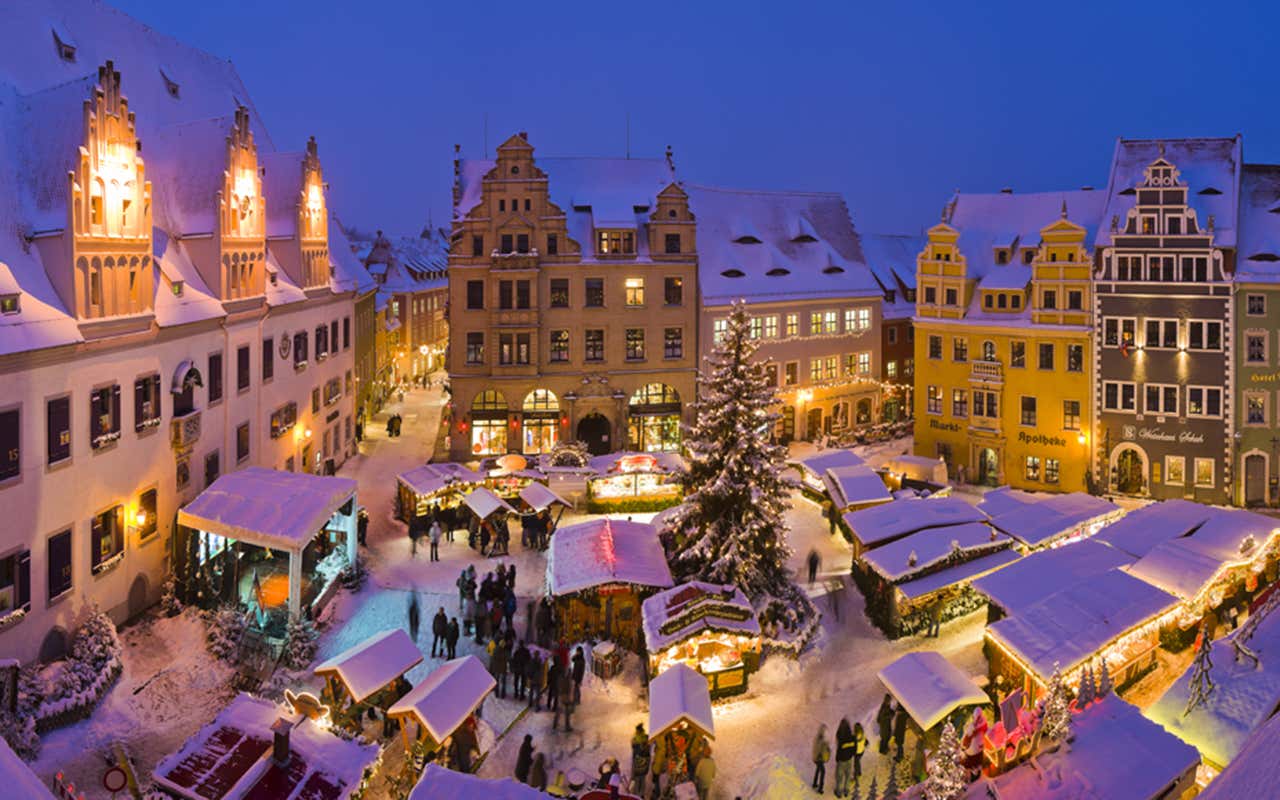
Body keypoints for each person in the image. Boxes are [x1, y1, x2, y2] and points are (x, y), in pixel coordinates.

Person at [834, 718, 855, 797]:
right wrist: (850, 754)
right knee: (848, 775)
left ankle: (839, 792)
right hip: (849, 759)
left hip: (842, 761)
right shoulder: (853, 738)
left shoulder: (841, 738)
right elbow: (854, 749)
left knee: (839, 777)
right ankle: (846, 791)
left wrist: (837, 759)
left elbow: (839, 752)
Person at [631, 723, 650, 798]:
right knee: (642, 779)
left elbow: (634, 749)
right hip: (645, 763)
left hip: (637, 762)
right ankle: (641, 795)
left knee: (636, 779)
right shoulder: (647, 737)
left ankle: (635, 795)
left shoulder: (635, 739)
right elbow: (648, 750)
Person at [553, 666, 575, 732]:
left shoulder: (560, 677)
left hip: (561, 695)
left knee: (559, 710)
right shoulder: (567, 679)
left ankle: (555, 724)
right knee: (567, 712)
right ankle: (567, 726)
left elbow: (558, 685)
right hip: (565, 696)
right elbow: (568, 688)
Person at [812, 723, 830, 794]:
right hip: (819, 758)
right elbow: (822, 749)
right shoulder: (821, 740)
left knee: (818, 769)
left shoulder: (817, 738)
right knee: (823, 772)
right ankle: (820, 788)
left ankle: (814, 783)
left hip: (815, 758)